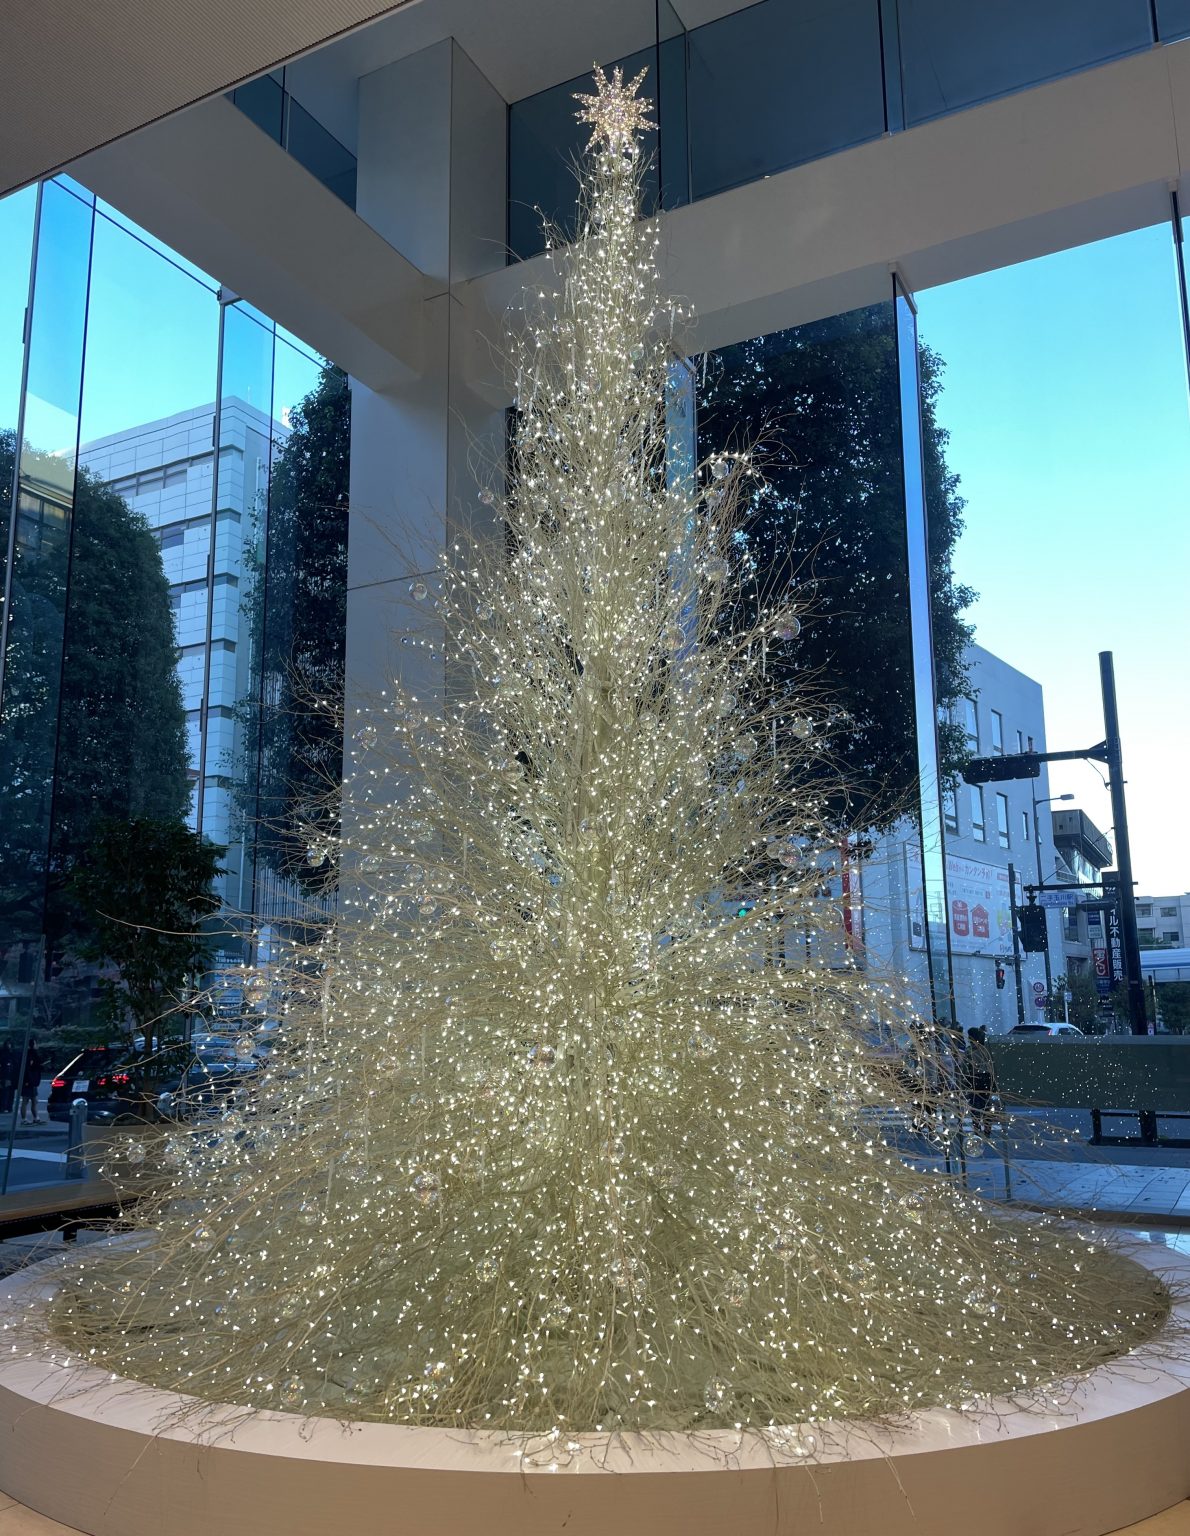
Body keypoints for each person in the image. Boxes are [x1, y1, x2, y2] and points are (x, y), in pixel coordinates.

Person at [962, 1026, 997, 1140]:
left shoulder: (970, 1051)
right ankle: (987, 1130)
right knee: (986, 1105)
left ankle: (977, 1130)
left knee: (975, 1106)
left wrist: (965, 1080)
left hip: (975, 1079)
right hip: (987, 1079)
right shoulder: (986, 1049)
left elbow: (966, 1066)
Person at [19, 1038, 43, 1124]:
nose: (36, 1046)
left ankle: (36, 1118)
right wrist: (26, 1080)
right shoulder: (28, 1056)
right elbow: (27, 1069)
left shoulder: (34, 1055)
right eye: (35, 1044)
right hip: (28, 1081)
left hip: (33, 1081)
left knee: (34, 1100)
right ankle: (24, 1119)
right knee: (25, 1100)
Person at [0, 1039, 14, 1115]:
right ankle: (6, 1107)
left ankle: (6, 1107)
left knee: (6, 1092)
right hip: (6, 1075)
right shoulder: (8, 1053)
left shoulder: (7, 1053)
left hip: (7, 1075)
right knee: (6, 1092)